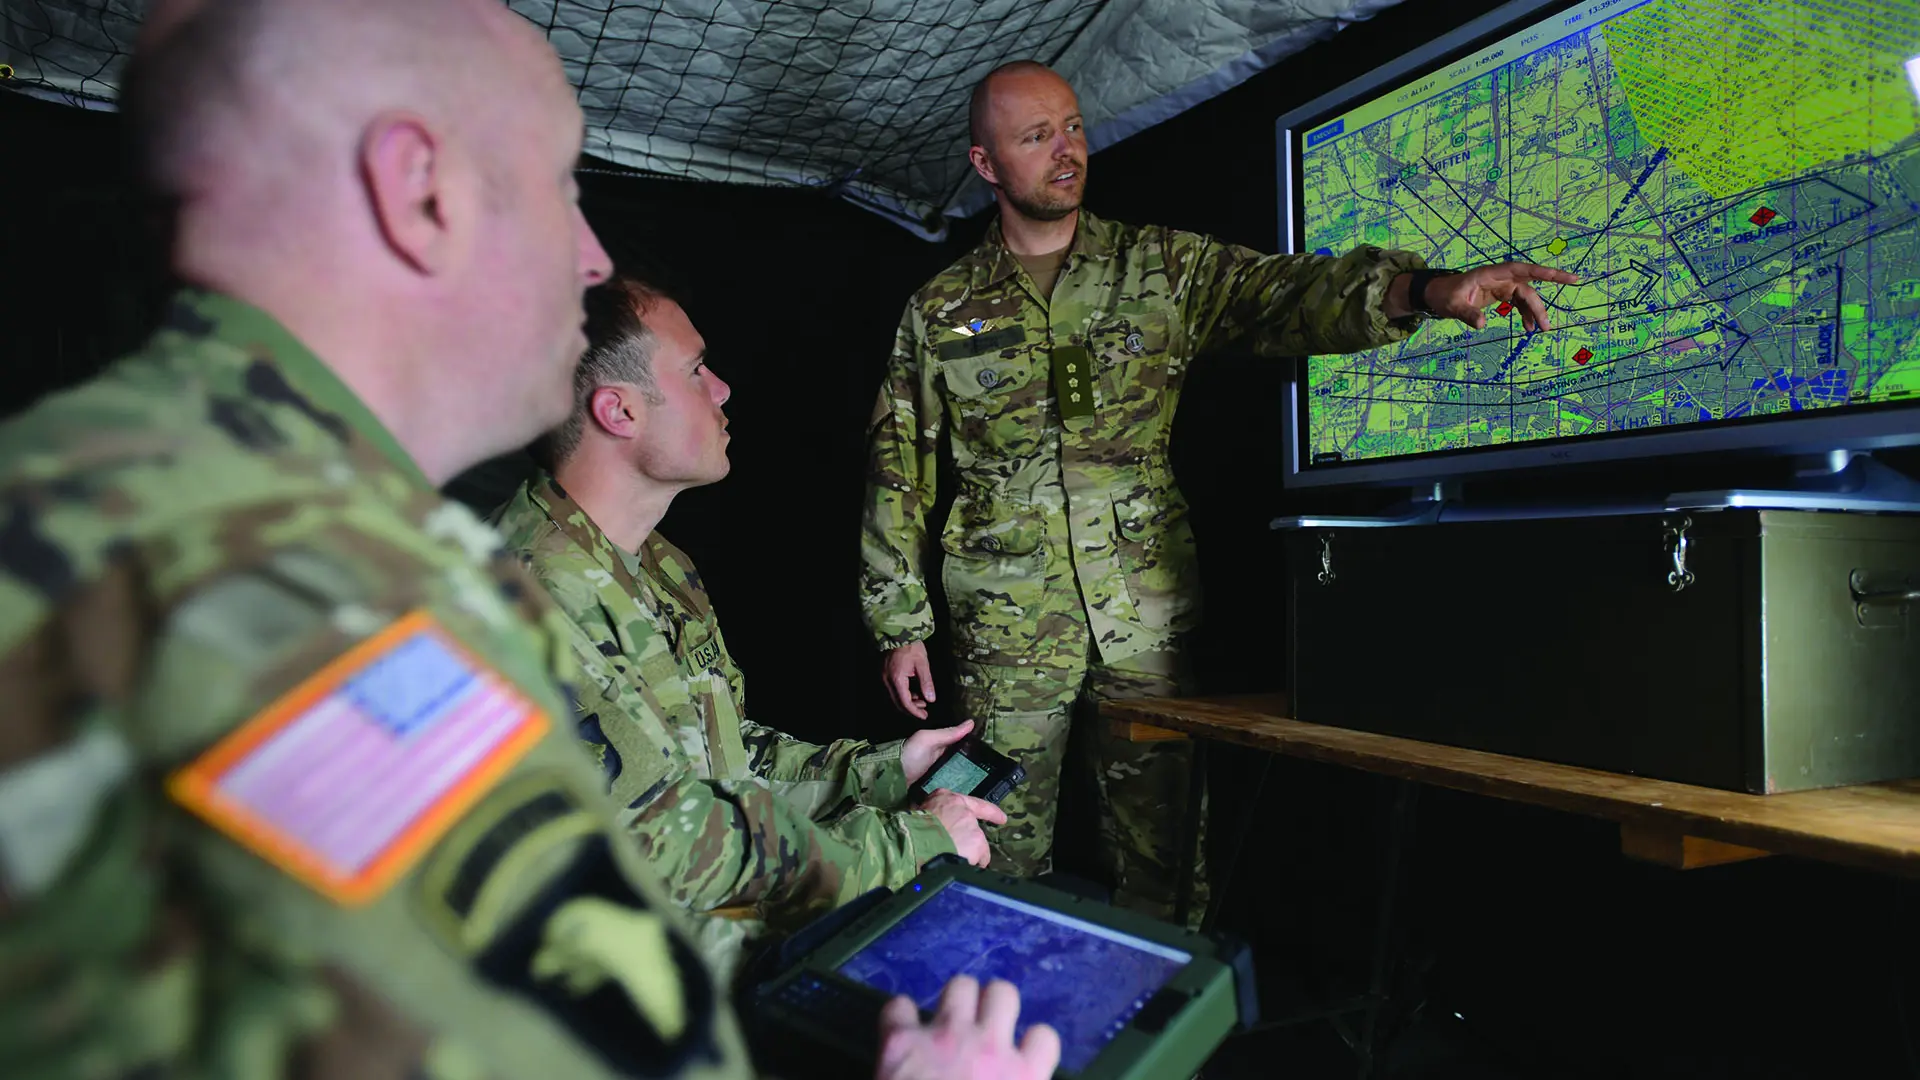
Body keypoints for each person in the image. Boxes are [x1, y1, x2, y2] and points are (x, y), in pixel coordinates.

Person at [0, 2, 1055, 1078]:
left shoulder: (231, 517)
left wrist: (878, 778)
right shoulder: (300, 580)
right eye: (561, 189)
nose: (591, 258)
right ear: (419, 190)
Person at [859, 59, 1578, 924]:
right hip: (1005, 630)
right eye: (1037, 136)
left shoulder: (1160, 267)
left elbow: (1289, 295)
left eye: (1074, 126)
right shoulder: (941, 307)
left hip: (1144, 618)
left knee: (1164, 846)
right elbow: (899, 461)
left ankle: (1166, 1035)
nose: (1067, 151)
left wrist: (1422, 289)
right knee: (988, 844)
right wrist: (899, 623)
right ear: (986, 165)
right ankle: (992, 1039)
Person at [493, 274, 1008, 977]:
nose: (723, 389)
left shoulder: (655, 566)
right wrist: (909, 845)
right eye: (696, 369)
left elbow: (730, 765)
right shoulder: (533, 596)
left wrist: (886, 771)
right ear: (618, 411)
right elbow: (669, 850)